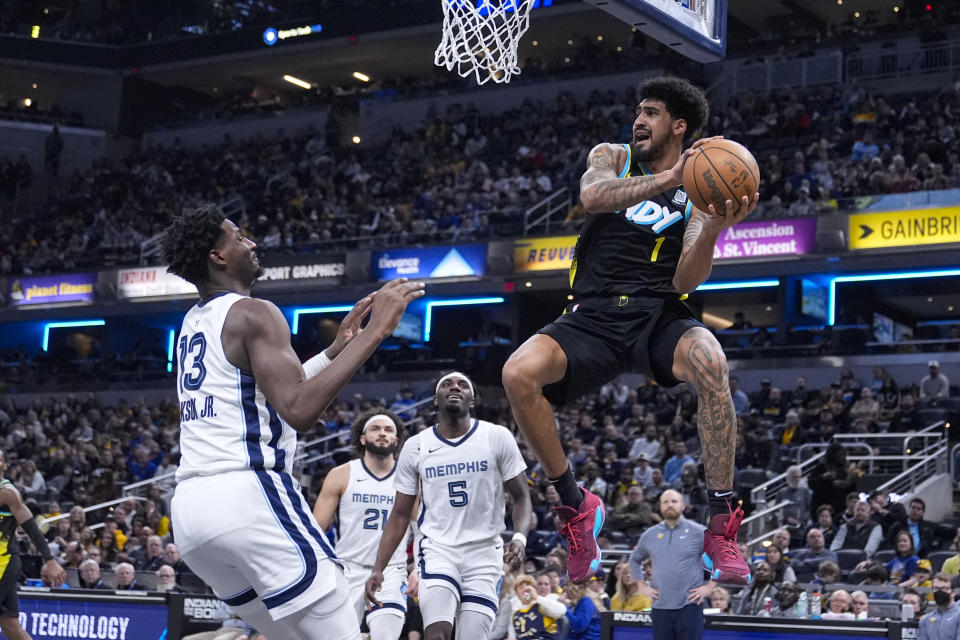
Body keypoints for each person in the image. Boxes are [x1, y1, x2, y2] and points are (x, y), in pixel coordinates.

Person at [502, 75, 758, 585]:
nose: (638, 120)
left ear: (678, 125)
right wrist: (672, 179)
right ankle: (576, 506)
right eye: (638, 111)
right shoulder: (614, 156)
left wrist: (709, 227)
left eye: (652, 113)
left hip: (657, 313)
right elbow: (594, 197)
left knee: (711, 359)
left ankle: (721, 521)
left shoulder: (699, 191)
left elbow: (687, 277)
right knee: (516, 374)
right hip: (593, 313)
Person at [163, 203, 425, 640]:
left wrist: (338, 349)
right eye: (239, 237)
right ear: (218, 256)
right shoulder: (254, 311)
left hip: (191, 513)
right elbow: (300, 409)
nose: (252, 242)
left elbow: (266, 390)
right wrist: (377, 332)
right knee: (340, 625)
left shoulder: (193, 322)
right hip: (247, 494)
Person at [366, 371, 533, 640]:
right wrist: (378, 568)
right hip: (438, 550)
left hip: (485, 553)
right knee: (437, 634)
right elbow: (398, 515)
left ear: (473, 400)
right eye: (447, 384)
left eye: (462, 385)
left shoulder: (497, 437)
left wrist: (520, 537)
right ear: (435, 399)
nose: (455, 387)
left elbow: (522, 497)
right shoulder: (416, 446)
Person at [313, 408, 410, 640]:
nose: (382, 433)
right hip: (348, 569)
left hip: (391, 572)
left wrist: (416, 570)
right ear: (362, 438)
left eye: (388, 430)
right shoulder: (341, 474)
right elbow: (316, 530)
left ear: (396, 440)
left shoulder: (409, 478)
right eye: (375, 429)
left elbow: (421, 528)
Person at [630, 490, 718, 640]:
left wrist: (709, 587)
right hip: (660, 607)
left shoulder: (699, 532)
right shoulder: (650, 535)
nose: (669, 505)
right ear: (660, 507)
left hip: (689, 605)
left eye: (674, 501)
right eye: (665, 502)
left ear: (683, 506)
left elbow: (721, 559)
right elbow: (634, 559)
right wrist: (642, 586)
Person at [0, 450, 66, 639]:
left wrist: (50, 560)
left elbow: (32, 528)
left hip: (4, 565)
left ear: (4, 466)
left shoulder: (7, 493)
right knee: (10, 625)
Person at [512, 575, 567, 639]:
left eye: (528, 586)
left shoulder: (542, 604)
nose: (525, 590)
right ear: (516, 593)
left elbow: (562, 611)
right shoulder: (515, 614)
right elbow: (512, 636)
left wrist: (536, 597)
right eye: (521, 587)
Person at [918, 573, 959, 640]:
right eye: (936, 588)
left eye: (944, 588)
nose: (939, 592)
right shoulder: (925, 620)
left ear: (953, 593)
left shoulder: (958, 615)